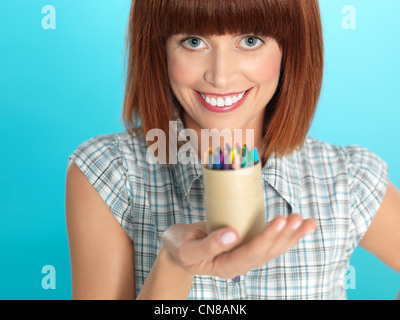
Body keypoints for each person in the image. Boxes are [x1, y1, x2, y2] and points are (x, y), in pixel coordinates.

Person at [65, 0, 400, 300]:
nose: (220, 77)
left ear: (289, 49)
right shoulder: (109, 172)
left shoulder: (348, 179)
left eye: (250, 41)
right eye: (193, 41)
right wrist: (174, 264)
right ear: (160, 50)